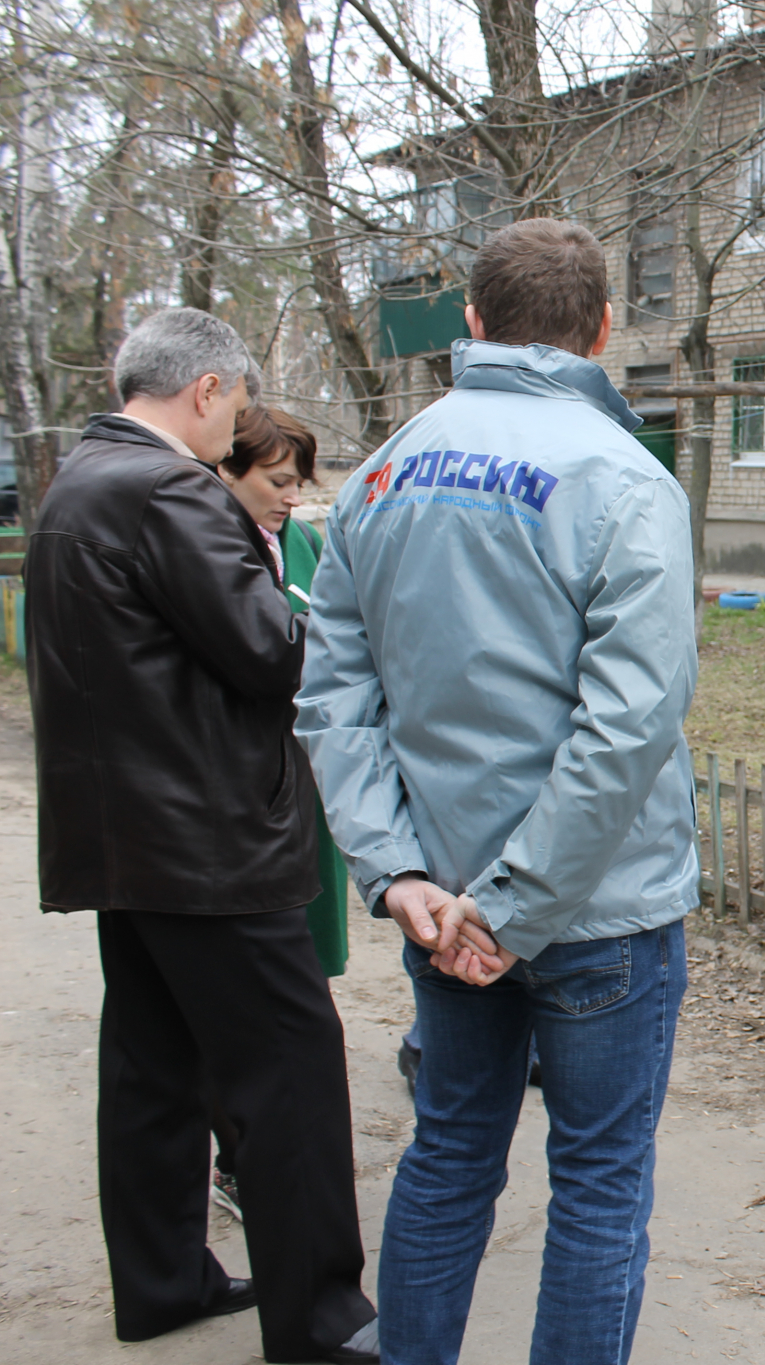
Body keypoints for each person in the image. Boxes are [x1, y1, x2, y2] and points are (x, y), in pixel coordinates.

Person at [296, 218, 697, 1365]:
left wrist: (398, 874)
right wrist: (512, 910)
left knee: (451, 1153)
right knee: (601, 1187)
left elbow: (334, 697)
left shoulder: (381, 470)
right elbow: (627, 724)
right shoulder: (626, 477)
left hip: (447, 903)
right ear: (602, 332)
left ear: (472, 323)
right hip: (595, 912)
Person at [27, 307, 378, 1363]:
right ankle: (321, 1318)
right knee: (291, 1070)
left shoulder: (78, 482)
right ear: (209, 390)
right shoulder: (169, 489)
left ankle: (163, 1278)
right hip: (211, 842)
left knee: (152, 1067)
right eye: (236, 406)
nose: (238, 432)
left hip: (122, 837)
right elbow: (270, 651)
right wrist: (340, 616)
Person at [203, 407, 353, 1224]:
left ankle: (256, 1149)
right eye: (276, 481)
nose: (291, 498)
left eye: (299, 482)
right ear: (227, 471)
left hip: (306, 781)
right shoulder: (205, 542)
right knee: (253, 998)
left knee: (304, 965)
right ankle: (241, 1156)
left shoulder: (299, 542)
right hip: (245, 798)